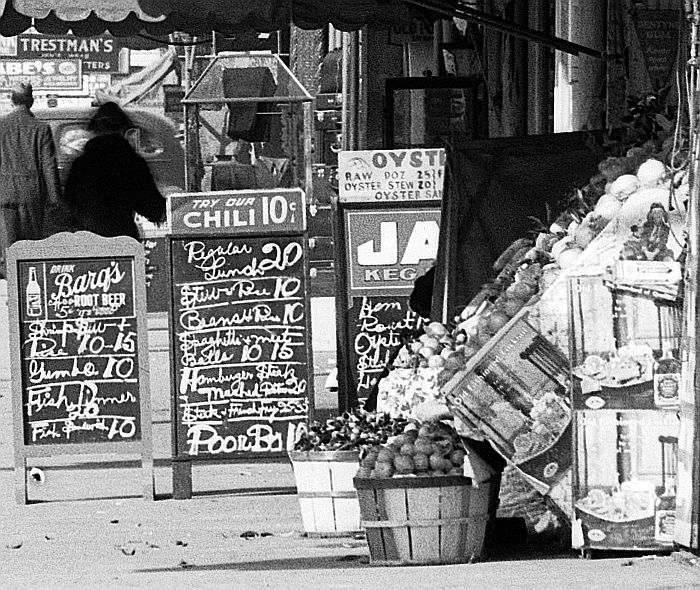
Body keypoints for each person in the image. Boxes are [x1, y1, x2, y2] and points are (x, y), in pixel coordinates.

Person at [63, 101, 166, 240]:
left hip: (85, 239)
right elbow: (152, 208)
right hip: (121, 238)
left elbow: (68, 205)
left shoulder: (80, 165)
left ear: (95, 132)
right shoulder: (132, 163)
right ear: (123, 131)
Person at [0, 82, 61, 274]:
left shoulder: (1, 126)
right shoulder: (41, 128)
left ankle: (11, 288)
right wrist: (55, 198)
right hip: (32, 195)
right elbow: (48, 165)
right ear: (31, 101)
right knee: (30, 247)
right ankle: (27, 282)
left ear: (12, 100)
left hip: (5, 194)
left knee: (8, 246)